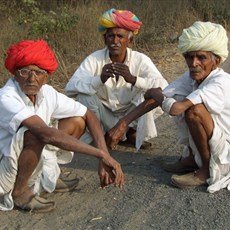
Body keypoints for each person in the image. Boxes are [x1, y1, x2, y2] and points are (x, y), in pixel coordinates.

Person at [0, 39, 124, 213]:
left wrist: (103, 157)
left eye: (38, 72)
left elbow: (88, 114)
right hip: (4, 166)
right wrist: (101, 154)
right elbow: (45, 134)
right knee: (34, 133)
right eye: (25, 71)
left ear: (46, 76)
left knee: (77, 121)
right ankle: (19, 192)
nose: (31, 78)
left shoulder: (47, 92)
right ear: (15, 73)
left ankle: (46, 177)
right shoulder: (6, 97)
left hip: (29, 154)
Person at [109, 21, 230, 193]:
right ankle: (192, 159)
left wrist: (155, 93)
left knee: (193, 111)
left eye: (201, 57)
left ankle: (205, 170)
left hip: (226, 148)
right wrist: (123, 123)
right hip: (213, 137)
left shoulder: (220, 82)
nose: (194, 63)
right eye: (189, 56)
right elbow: (163, 95)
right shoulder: (192, 76)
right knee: (180, 99)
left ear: (216, 61)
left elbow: (175, 108)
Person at [65, 8, 168, 150]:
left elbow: (164, 86)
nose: (115, 41)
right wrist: (99, 79)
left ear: (130, 40)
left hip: (131, 116)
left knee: (154, 94)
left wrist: (133, 79)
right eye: (110, 36)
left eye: (120, 36)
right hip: (104, 116)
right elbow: (70, 88)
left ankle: (130, 131)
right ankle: (101, 136)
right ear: (105, 39)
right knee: (84, 95)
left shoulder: (140, 59)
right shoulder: (95, 59)